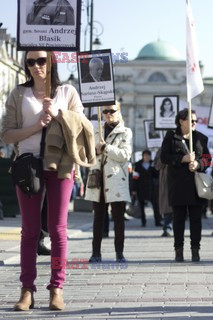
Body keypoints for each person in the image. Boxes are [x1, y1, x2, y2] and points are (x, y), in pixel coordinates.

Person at [1, 50, 95, 311]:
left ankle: (56, 287)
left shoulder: (68, 92)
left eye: (41, 60)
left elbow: (85, 128)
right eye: (30, 61)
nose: (35, 66)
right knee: (30, 231)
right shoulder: (19, 93)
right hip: (28, 165)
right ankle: (27, 289)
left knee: (57, 230)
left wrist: (58, 113)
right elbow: (7, 135)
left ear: (51, 62)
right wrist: (36, 125)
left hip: (62, 164)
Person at [84, 103, 132, 264]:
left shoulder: (125, 132)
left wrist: (106, 148)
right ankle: (95, 252)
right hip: (98, 179)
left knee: (118, 219)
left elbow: (125, 155)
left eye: (112, 111)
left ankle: (120, 252)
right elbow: (86, 154)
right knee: (98, 218)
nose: (108, 114)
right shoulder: (95, 130)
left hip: (116, 180)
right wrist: (95, 151)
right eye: (105, 111)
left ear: (119, 112)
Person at [161, 109, 210, 262]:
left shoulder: (201, 138)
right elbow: (164, 157)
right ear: (181, 121)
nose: (195, 123)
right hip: (178, 185)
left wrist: (198, 164)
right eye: (192, 120)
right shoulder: (171, 137)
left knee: (196, 219)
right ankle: (179, 250)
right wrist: (183, 159)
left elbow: (208, 159)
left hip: (196, 186)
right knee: (178, 219)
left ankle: (195, 249)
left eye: (196, 121)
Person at [132, 150, 161, 227]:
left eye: (148, 155)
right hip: (141, 187)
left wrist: (156, 167)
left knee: (155, 205)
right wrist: (134, 189)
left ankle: (157, 221)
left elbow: (156, 175)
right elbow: (135, 177)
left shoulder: (152, 164)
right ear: (143, 156)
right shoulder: (138, 165)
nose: (147, 157)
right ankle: (143, 221)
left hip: (151, 188)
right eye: (145, 155)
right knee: (141, 206)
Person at [153, 148, 173, 237]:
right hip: (166, 182)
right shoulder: (161, 150)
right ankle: (167, 226)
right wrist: (164, 157)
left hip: (179, 181)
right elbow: (157, 166)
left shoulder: (183, 146)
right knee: (167, 206)